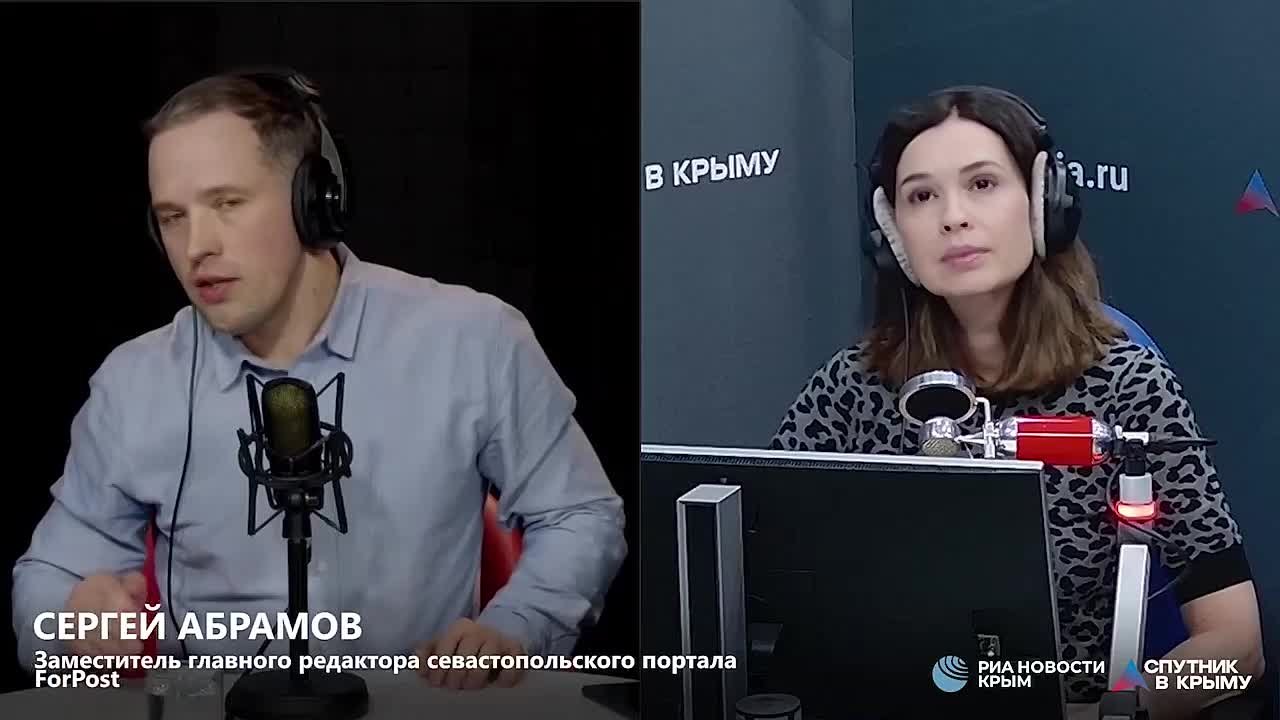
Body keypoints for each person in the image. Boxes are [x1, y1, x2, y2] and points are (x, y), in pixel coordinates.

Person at [11, 68, 627, 691]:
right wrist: (70, 621)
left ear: (315, 200)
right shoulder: (133, 383)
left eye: (227, 203)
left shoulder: (472, 338)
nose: (196, 246)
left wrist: (515, 628)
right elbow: (49, 575)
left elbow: (579, 514)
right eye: (172, 217)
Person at [769, 86, 1264, 718]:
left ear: (1043, 204)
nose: (953, 217)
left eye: (981, 184)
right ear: (891, 233)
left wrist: (1123, 712)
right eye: (921, 196)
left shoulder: (1127, 385)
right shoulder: (850, 388)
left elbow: (1235, 645)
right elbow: (767, 575)